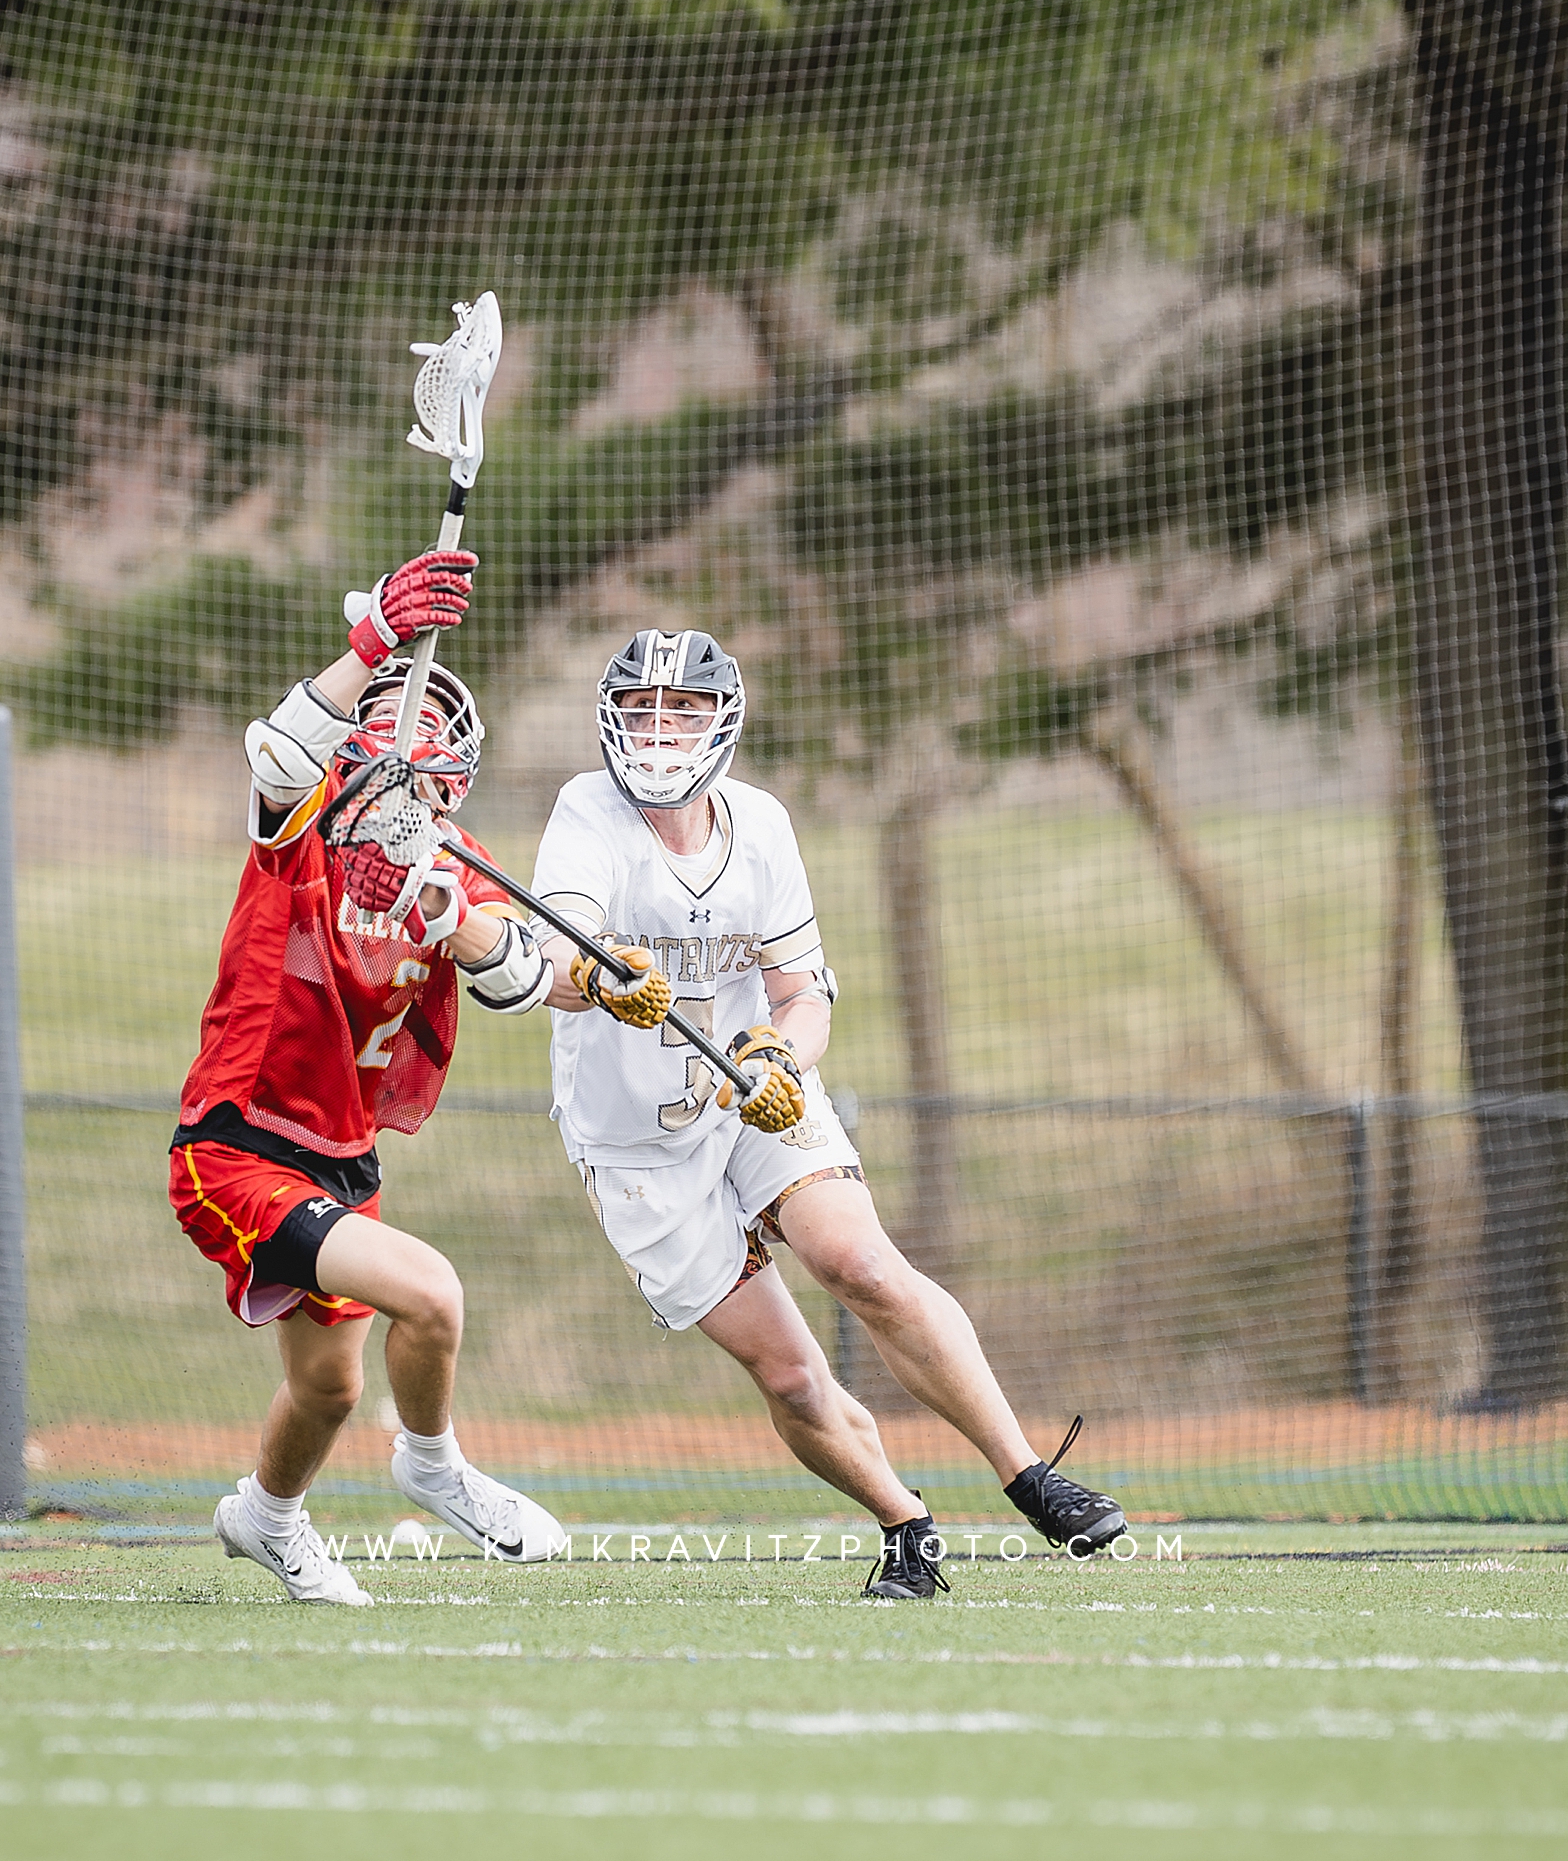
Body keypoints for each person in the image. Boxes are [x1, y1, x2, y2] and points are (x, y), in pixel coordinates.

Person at [530, 629, 1126, 1599]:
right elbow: (552, 961)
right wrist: (600, 977)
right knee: (792, 1377)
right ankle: (906, 1523)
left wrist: (780, 1054)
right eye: (641, 709)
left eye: (682, 709)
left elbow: (802, 994)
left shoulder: (761, 824)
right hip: (636, 1139)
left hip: (753, 1091)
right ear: (611, 721)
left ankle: (1029, 1475)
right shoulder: (586, 812)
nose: (660, 729)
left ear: (722, 721)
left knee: (859, 1263)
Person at [170, 547, 566, 1605]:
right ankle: (434, 1466)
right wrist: (374, 639)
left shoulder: (455, 866)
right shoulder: (299, 833)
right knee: (432, 1295)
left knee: (328, 1388)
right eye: (386, 729)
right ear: (352, 747)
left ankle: (266, 1519)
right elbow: (274, 753)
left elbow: (526, 978)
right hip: (240, 1145)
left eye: (425, 745)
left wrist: (451, 916)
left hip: (345, 1158)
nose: (403, 759)